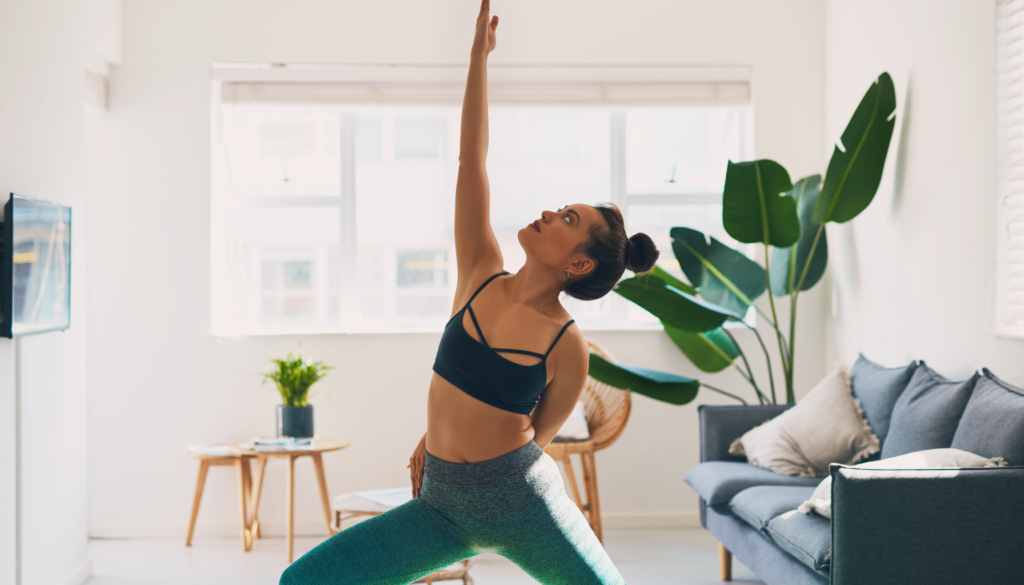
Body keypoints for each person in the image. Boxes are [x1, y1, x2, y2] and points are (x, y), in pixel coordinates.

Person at [280, 2, 658, 583]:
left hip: (523, 505)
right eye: (559, 208)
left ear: (579, 262)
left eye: (566, 218)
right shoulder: (480, 270)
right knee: (305, 580)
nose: (548, 213)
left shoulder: (567, 345)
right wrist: (478, 58)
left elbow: (536, 440)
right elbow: (470, 160)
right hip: (441, 505)